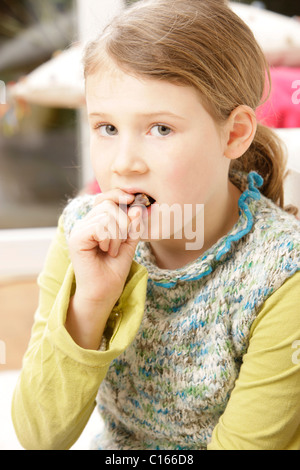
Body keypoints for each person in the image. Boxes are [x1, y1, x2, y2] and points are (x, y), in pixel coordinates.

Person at [12, 0, 300, 450]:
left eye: (160, 129)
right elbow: (39, 436)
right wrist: (91, 302)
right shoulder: (81, 233)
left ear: (235, 133)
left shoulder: (285, 273)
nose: (124, 164)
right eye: (107, 128)